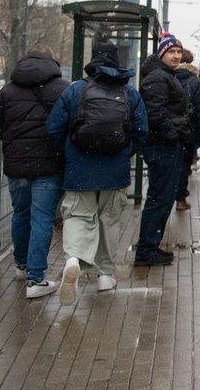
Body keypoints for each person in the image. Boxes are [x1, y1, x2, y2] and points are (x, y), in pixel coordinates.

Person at [46, 42, 149, 304]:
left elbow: (54, 128)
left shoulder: (75, 90)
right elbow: (141, 132)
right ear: (116, 61)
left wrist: (69, 153)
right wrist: (124, 152)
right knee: (108, 221)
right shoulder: (129, 93)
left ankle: (73, 259)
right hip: (115, 171)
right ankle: (105, 275)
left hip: (79, 169)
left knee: (78, 217)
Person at [0, 45, 69, 299]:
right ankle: (36, 279)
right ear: (51, 61)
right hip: (48, 164)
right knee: (42, 217)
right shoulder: (62, 88)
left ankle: (21, 265)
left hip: (16, 165)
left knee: (21, 213)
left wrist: (14, 143)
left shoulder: (8, 90)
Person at [134, 32, 192, 266]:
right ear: (162, 54)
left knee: (163, 196)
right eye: (171, 52)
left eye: (179, 51)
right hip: (162, 146)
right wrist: (173, 134)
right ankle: (146, 250)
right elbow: (155, 113)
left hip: (165, 145)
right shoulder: (158, 77)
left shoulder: (165, 75)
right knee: (159, 197)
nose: (176, 56)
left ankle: (150, 247)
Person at [174, 48, 200, 210]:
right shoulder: (196, 83)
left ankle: (166, 196)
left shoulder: (168, 78)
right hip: (188, 131)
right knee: (183, 166)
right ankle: (180, 198)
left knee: (170, 165)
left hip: (167, 131)